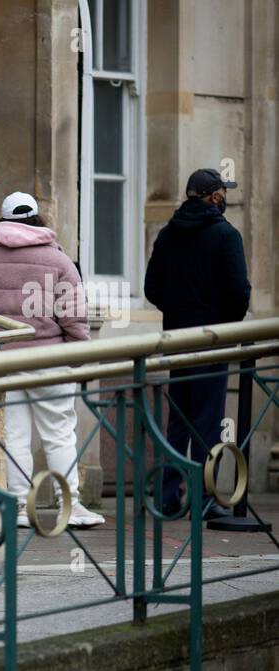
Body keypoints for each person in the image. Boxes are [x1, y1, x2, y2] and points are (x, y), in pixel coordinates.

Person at [0, 191, 104, 529]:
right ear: (36, 218)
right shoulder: (59, 262)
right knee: (58, 433)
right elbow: (74, 316)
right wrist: (77, 352)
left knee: (13, 435)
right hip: (49, 356)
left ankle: (16, 506)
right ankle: (68, 506)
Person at [144, 168, 252, 519]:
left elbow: (152, 289)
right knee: (208, 421)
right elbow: (239, 294)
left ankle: (167, 496)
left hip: (177, 339)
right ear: (214, 197)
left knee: (178, 421)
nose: (226, 198)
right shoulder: (225, 236)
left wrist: (178, 313)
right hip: (213, 340)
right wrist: (225, 321)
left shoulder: (168, 234)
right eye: (223, 192)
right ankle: (205, 501)